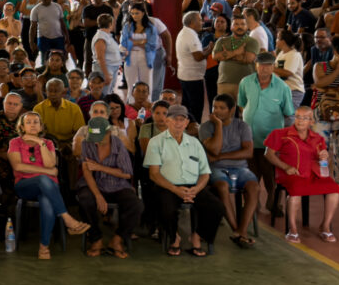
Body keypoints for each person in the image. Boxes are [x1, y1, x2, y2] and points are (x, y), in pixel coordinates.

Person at [8, 110, 91, 258]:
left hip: (48, 188)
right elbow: (18, 167)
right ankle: (67, 218)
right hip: (25, 185)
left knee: (47, 201)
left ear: (41, 127)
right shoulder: (15, 143)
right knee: (43, 179)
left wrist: (40, 143)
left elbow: (51, 164)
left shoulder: (48, 143)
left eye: (36, 122)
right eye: (28, 122)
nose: (32, 125)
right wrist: (46, 172)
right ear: (22, 127)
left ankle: (43, 247)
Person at [145, 104, 219, 257]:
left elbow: (205, 173)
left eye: (182, 119)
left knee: (216, 207)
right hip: (167, 186)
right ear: (167, 121)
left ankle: (197, 235)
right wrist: (175, 189)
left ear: (186, 123)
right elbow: (154, 174)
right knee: (166, 208)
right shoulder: (156, 142)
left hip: (193, 187)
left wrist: (196, 190)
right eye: (174, 119)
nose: (178, 123)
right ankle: (174, 237)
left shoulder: (195, 143)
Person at [263, 105, 338, 243]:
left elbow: (323, 160)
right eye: (298, 117)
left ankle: (325, 226)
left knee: (334, 189)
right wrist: (285, 167)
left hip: (313, 175)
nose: (300, 120)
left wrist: (324, 156)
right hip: (291, 174)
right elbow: (268, 154)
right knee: (296, 191)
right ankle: (292, 230)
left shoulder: (318, 138)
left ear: (311, 122)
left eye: (305, 118)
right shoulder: (280, 134)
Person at [199, 93, 263, 247]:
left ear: (232, 110)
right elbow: (213, 150)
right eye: (215, 107)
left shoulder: (242, 126)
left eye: (222, 108)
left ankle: (241, 231)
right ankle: (237, 230)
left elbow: (248, 152)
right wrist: (219, 126)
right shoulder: (206, 127)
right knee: (222, 186)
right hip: (216, 169)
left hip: (240, 168)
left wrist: (221, 156)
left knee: (254, 187)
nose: (217, 111)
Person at [72, 115, 141, 258]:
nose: (96, 141)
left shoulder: (118, 144)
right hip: (93, 183)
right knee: (85, 200)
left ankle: (118, 239)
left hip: (116, 183)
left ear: (109, 133)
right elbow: (87, 171)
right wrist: (98, 195)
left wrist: (100, 167)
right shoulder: (87, 143)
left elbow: (127, 174)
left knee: (135, 204)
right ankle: (96, 238)